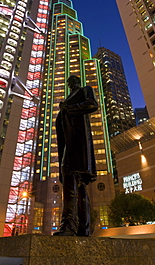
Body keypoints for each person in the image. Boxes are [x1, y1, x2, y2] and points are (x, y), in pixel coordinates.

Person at [53, 75, 98, 236]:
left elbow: (93, 104)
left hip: (78, 144)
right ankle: (83, 228)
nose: (70, 83)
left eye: (72, 81)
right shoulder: (68, 98)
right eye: (68, 82)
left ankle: (69, 225)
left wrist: (68, 108)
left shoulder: (85, 90)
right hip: (69, 143)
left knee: (71, 176)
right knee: (78, 186)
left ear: (77, 82)